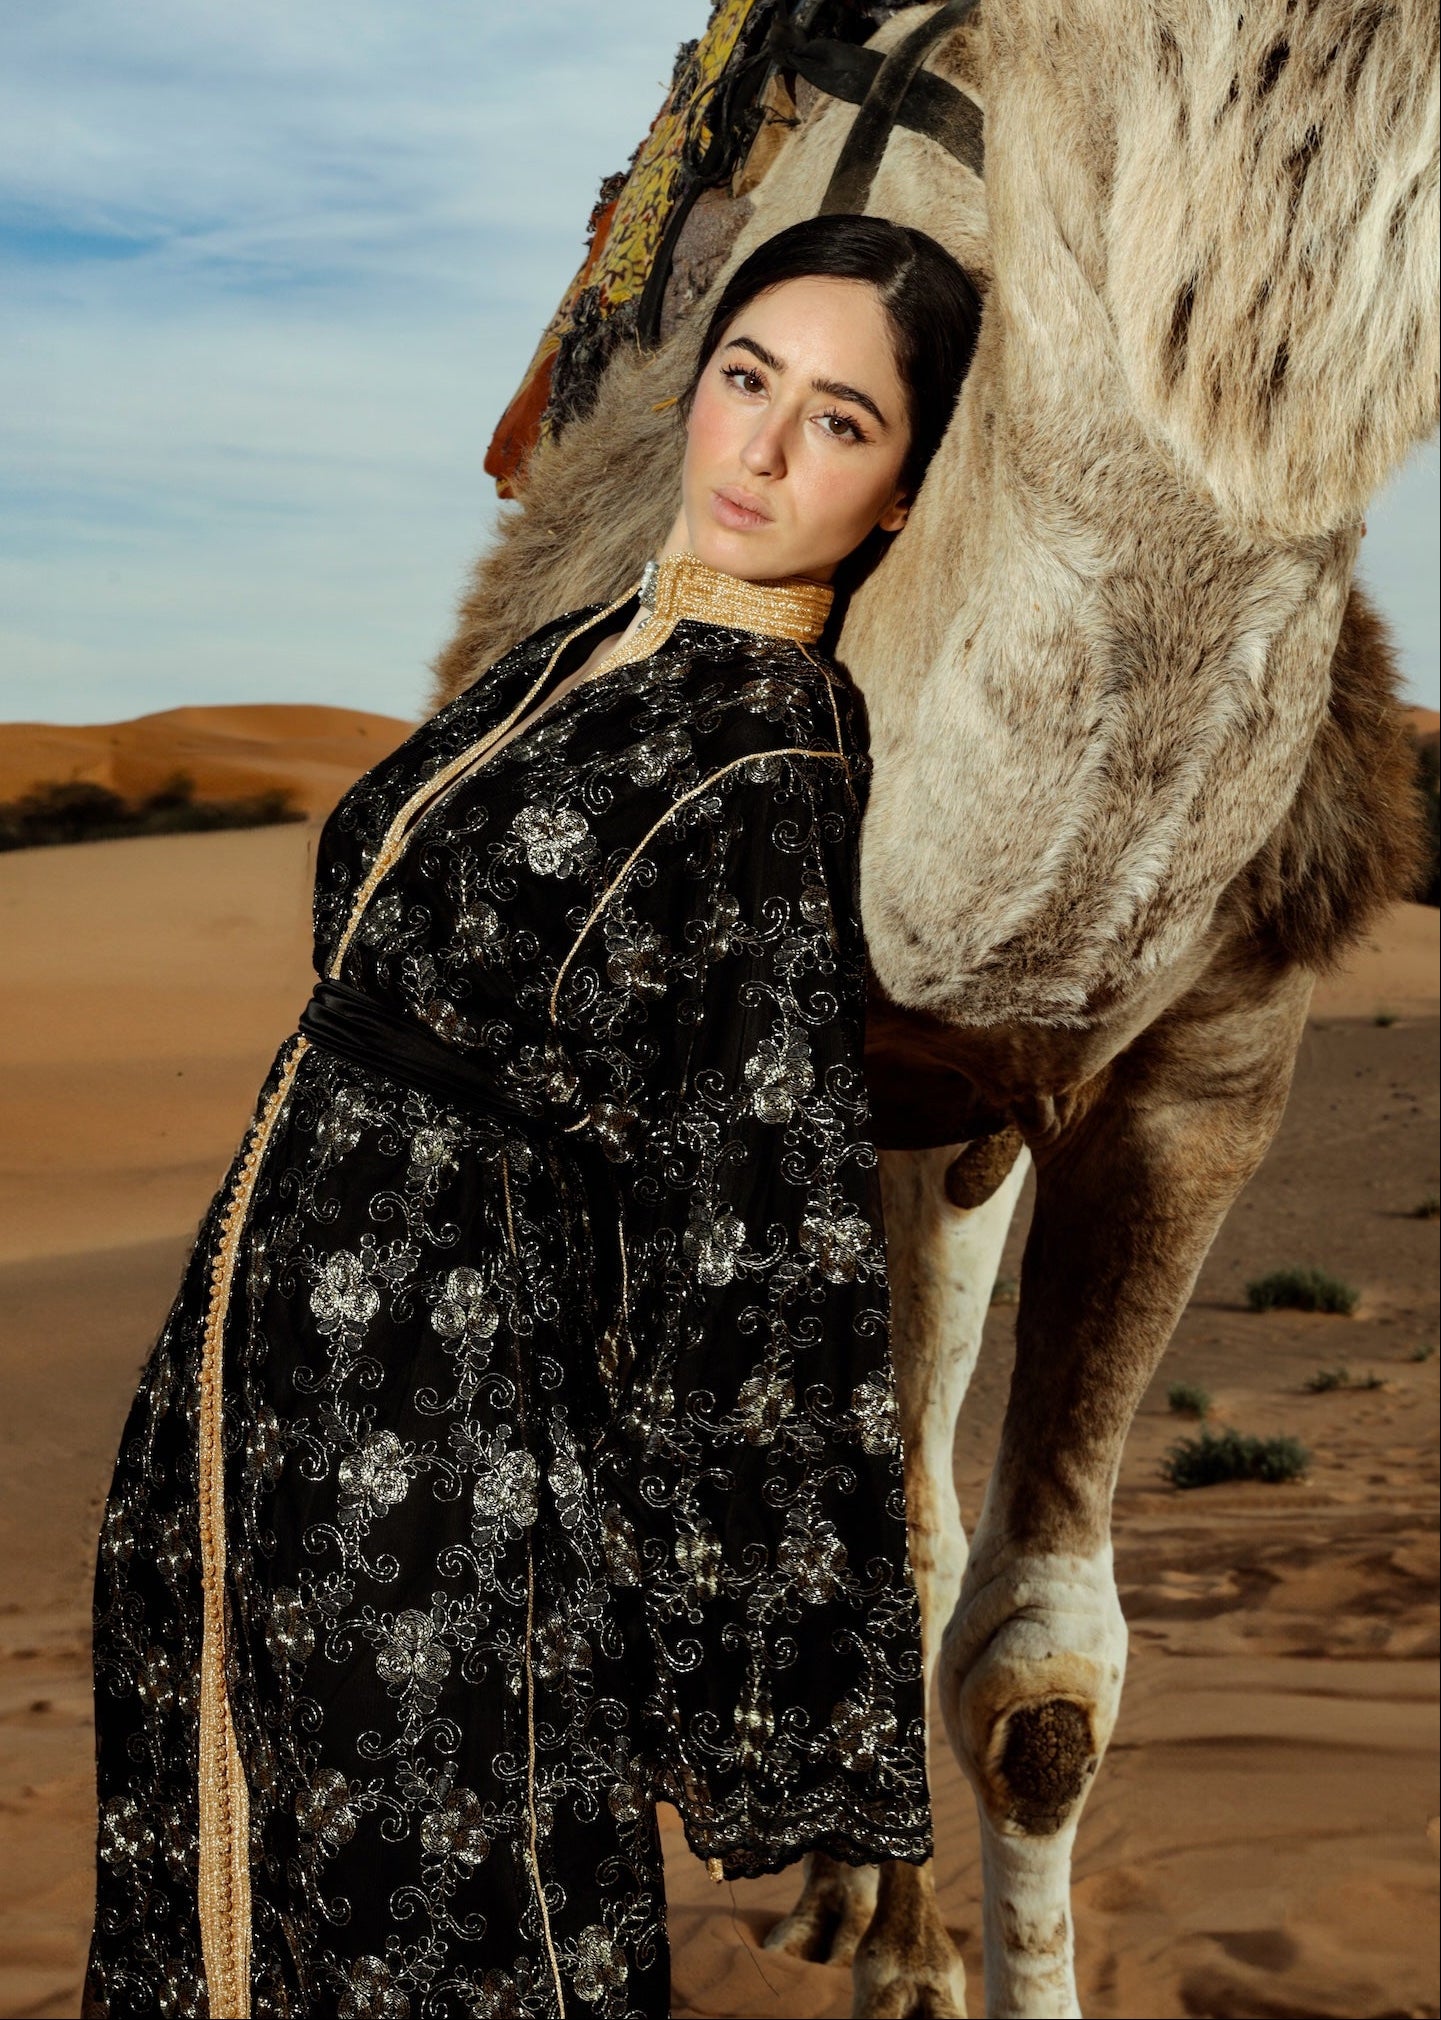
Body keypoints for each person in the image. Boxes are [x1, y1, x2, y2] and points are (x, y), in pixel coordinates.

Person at [82, 212, 983, 2020]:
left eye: (839, 421)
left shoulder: (767, 751)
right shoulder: (583, 647)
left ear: (894, 497)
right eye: (746, 381)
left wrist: (755, 1650)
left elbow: (761, 1198)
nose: (764, 447)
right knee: (240, 1871)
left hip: (454, 1447)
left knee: (447, 1911)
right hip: (262, 1400)